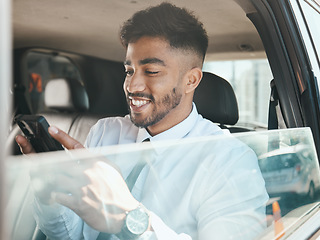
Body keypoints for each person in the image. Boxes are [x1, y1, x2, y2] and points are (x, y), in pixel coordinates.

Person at [16, 3, 268, 239]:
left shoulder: (230, 161)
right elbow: (69, 234)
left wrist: (131, 219)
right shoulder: (105, 132)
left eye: (151, 71)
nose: (131, 85)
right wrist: (49, 192)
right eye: (129, 71)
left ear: (191, 80)